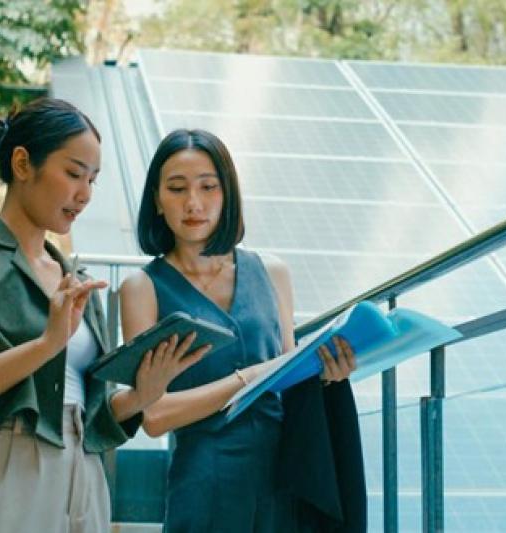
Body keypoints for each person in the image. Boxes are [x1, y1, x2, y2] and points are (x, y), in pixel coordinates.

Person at [0, 98, 207, 533]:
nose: (84, 194)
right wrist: (47, 344)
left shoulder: (77, 280)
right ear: (22, 163)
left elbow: (94, 412)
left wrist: (146, 392)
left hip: (85, 474)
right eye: (73, 173)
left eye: (93, 180)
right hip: (2, 469)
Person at [119, 128, 357, 532]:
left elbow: (290, 377)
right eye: (176, 189)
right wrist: (247, 378)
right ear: (157, 201)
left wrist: (329, 375)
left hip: (283, 478)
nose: (192, 203)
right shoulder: (141, 288)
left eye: (208, 187)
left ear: (227, 194)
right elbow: (155, 415)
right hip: (204, 484)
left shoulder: (272, 272)